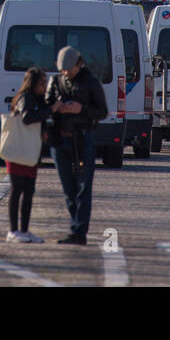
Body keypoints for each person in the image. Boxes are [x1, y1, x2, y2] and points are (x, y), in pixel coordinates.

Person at [46, 46, 107, 245]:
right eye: (62, 70)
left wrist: (81, 109)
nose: (66, 73)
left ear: (79, 64)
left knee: (83, 187)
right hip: (60, 139)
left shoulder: (91, 82)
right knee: (68, 188)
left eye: (69, 69)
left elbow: (102, 111)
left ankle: (79, 232)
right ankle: (75, 226)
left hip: (83, 138)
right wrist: (55, 107)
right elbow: (46, 105)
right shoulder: (55, 81)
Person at [5, 67, 58, 243]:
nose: (44, 86)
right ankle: (13, 231)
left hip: (31, 150)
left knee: (29, 191)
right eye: (42, 83)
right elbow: (27, 118)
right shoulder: (24, 97)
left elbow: (40, 118)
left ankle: (25, 230)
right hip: (18, 149)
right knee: (17, 189)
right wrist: (51, 110)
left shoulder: (38, 99)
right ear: (33, 83)